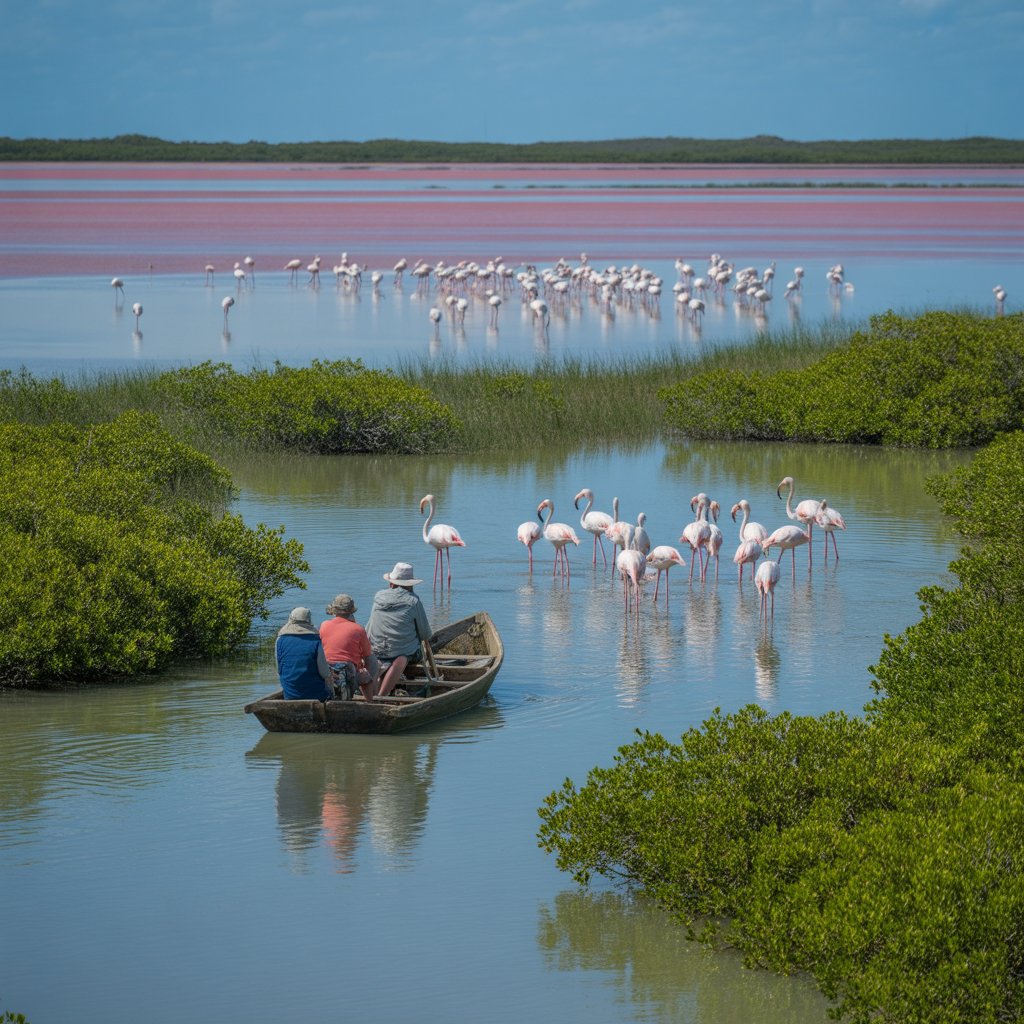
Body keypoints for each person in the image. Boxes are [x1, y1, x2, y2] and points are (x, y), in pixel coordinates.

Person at [366, 562, 432, 698]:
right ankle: (382, 696)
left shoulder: (378, 597)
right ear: (410, 585)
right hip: (400, 653)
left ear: (391, 583)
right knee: (401, 657)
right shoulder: (413, 601)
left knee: (389, 656)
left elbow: (369, 628)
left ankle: (375, 694)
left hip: (376, 649)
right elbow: (425, 634)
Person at [319, 593, 379, 701]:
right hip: (347, 671)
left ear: (334, 611)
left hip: (327, 669)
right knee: (368, 669)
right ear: (351, 612)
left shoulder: (324, 625)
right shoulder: (358, 629)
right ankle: (370, 701)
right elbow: (367, 655)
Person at [275, 606, 334, 701]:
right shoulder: (315, 640)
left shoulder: (279, 640)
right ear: (309, 621)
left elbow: (279, 670)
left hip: (289, 695)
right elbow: (324, 673)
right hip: (316, 695)